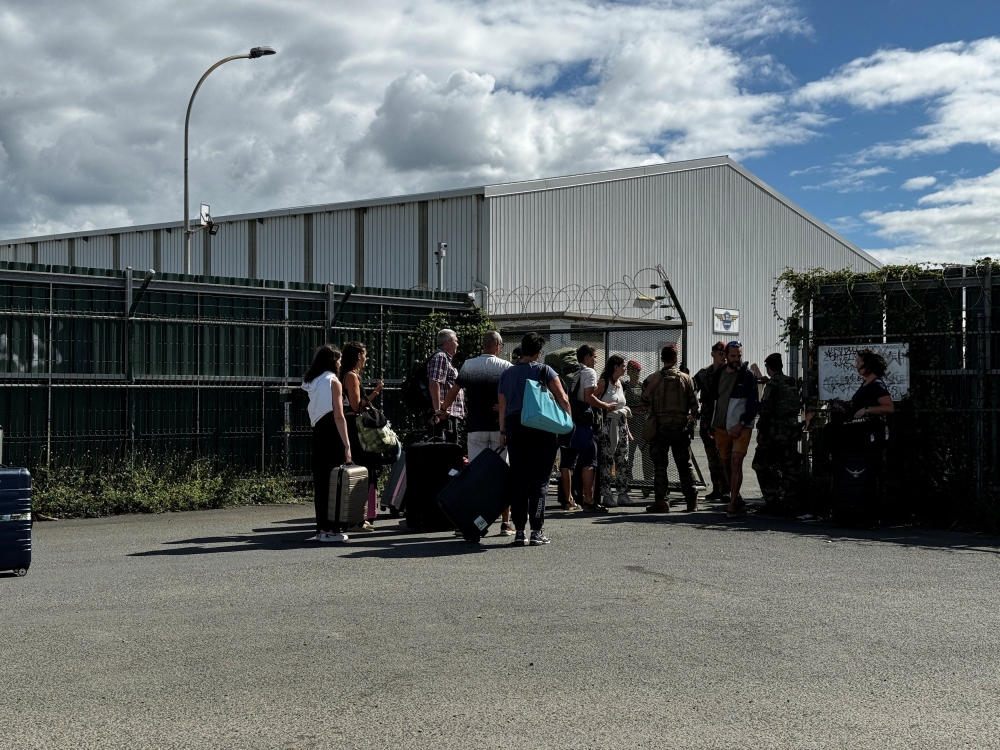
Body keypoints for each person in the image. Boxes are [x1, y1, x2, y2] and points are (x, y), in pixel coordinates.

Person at [498, 332, 572, 546]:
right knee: (540, 480)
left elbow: (502, 407)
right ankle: (537, 531)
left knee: (519, 479)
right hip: (540, 428)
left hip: (514, 427)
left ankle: (520, 531)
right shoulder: (544, 370)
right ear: (539, 353)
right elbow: (563, 399)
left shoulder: (507, 375)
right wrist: (567, 423)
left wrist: (503, 433)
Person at [439, 330, 515, 535]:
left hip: (475, 427)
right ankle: (506, 523)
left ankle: (470, 520)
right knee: (501, 475)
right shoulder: (506, 368)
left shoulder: (469, 365)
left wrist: (443, 409)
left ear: (483, 345)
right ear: (498, 346)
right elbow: (511, 396)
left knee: (474, 477)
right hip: (499, 429)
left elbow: (454, 391)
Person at [300, 344, 352, 543]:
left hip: (318, 432)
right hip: (332, 434)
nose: (340, 363)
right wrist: (347, 445)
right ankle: (331, 529)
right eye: (338, 360)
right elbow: (339, 416)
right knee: (334, 483)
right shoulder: (334, 382)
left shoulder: (313, 381)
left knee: (321, 484)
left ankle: (321, 528)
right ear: (333, 362)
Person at [641, 345, 699, 512]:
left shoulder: (653, 379)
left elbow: (643, 400)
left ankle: (661, 501)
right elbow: (695, 406)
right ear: (675, 359)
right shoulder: (687, 379)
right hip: (680, 428)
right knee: (685, 465)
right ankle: (691, 501)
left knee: (660, 466)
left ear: (662, 359)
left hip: (660, 428)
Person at [707, 341, 760, 518]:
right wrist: (709, 424)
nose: (737, 359)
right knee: (726, 464)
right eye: (733, 356)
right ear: (726, 356)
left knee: (736, 462)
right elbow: (711, 401)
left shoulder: (748, 375)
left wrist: (742, 423)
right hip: (721, 427)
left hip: (741, 427)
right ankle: (735, 497)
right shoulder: (718, 375)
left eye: (739, 356)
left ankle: (732, 503)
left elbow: (754, 403)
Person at [340, 341, 386, 532]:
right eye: (365, 355)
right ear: (359, 356)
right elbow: (357, 405)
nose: (366, 358)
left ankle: (361, 516)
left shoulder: (347, 375)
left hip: (352, 425)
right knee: (364, 469)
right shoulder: (351, 376)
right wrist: (376, 391)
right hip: (355, 426)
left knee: (364, 470)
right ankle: (357, 518)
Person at [752, 353, 802, 515]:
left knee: (760, 464)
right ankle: (791, 503)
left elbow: (766, 411)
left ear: (768, 368)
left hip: (775, 431)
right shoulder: (791, 382)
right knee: (790, 467)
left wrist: (761, 431)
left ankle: (772, 500)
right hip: (792, 430)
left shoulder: (772, 384)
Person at [562, 344, 604, 513]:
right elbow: (588, 398)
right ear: (587, 357)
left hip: (566, 421)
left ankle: (568, 500)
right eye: (594, 357)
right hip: (582, 422)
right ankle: (588, 499)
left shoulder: (568, 371)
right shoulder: (589, 372)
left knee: (567, 462)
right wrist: (605, 404)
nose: (595, 360)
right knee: (588, 461)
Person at [693, 342, 730, 501]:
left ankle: (727, 489)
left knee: (725, 456)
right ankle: (717, 488)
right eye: (720, 353)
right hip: (708, 420)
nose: (723, 356)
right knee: (712, 457)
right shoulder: (704, 374)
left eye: (725, 353)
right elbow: (691, 388)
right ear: (713, 354)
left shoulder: (729, 373)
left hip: (724, 419)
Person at [595, 355, 633, 507]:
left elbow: (622, 409)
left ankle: (622, 494)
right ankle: (606, 495)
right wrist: (604, 407)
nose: (625, 368)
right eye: (623, 365)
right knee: (606, 461)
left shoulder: (620, 384)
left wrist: (628, 431)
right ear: (615, 367)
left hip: (621, 425)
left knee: (623, 461)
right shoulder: (603, 383)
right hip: (608, 426)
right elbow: (591, 399)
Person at [427, 329, 465, 443]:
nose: (457, 344)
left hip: (446, 413)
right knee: (445, 452)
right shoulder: (441, 357)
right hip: (443, 415)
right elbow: (434, 383)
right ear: (447, 343)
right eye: (455, 341)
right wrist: (438, 411)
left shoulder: (445, 359)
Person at [623, 360, 654, 500]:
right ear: (628, 372)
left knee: (647, 455)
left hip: (642, 426)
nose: (636, 374)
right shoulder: (624, 386)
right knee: (628, 457)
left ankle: (647, 483)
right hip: (629, 425)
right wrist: (634, 410)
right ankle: (628, 482)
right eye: (633, 371)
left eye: (638, 371)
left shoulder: (643, 386)